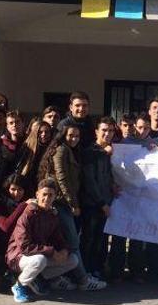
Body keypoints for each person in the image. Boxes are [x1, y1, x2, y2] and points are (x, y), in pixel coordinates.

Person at [38, 124, 107, 291]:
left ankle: (57, 278)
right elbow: (61, 179)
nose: (74, 138)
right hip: (61, 203)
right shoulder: (61, 150)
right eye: (70, 135)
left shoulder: (68, 149)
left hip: (63, 202)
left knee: (62, 242)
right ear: (63, 135)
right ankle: (83, 281)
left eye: (77, 135)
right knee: (73, 242)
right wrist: (73, 204)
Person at [6, 178, 80, 303]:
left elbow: (59, 239)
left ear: (55, 197)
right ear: (37, 194)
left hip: (38, 255)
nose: (47, 198)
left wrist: (64, 250)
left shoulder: (52, 215)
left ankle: (38, 278)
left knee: (73, 260)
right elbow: (25, 247)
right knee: (40, 260)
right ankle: (19, 285)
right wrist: (51, 252)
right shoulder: (27, 214)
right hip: (18, 256)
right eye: (44, 194)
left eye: (50, 195)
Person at [81, 117, 116, 280]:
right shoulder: (90, 152)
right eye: (104, 130)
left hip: (106, 203)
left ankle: (98, 269)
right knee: (89, 239)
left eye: (110, 131)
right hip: (93, 205)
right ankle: (85, 272)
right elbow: (90, 181)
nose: (107, 134)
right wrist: (102, 203)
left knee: (101, 240)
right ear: (96, 131)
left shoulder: (110, 152)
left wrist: (113, 187)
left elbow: (107, 176)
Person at [0, 174, 29, 293]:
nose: (16, 193)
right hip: (1, 247)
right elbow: (5, 226)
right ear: (7, 189)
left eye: (20, 190)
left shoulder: (28, 205)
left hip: (21, 247)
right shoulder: (0, 205)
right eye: (13, 189)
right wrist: (22, 206)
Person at [15, 119, 52, 189]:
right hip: (25, 184)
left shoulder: (53, 149)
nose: (43, 134)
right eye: (40, 132)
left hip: (44, 186)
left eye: (46, 132)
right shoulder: (27, 147)